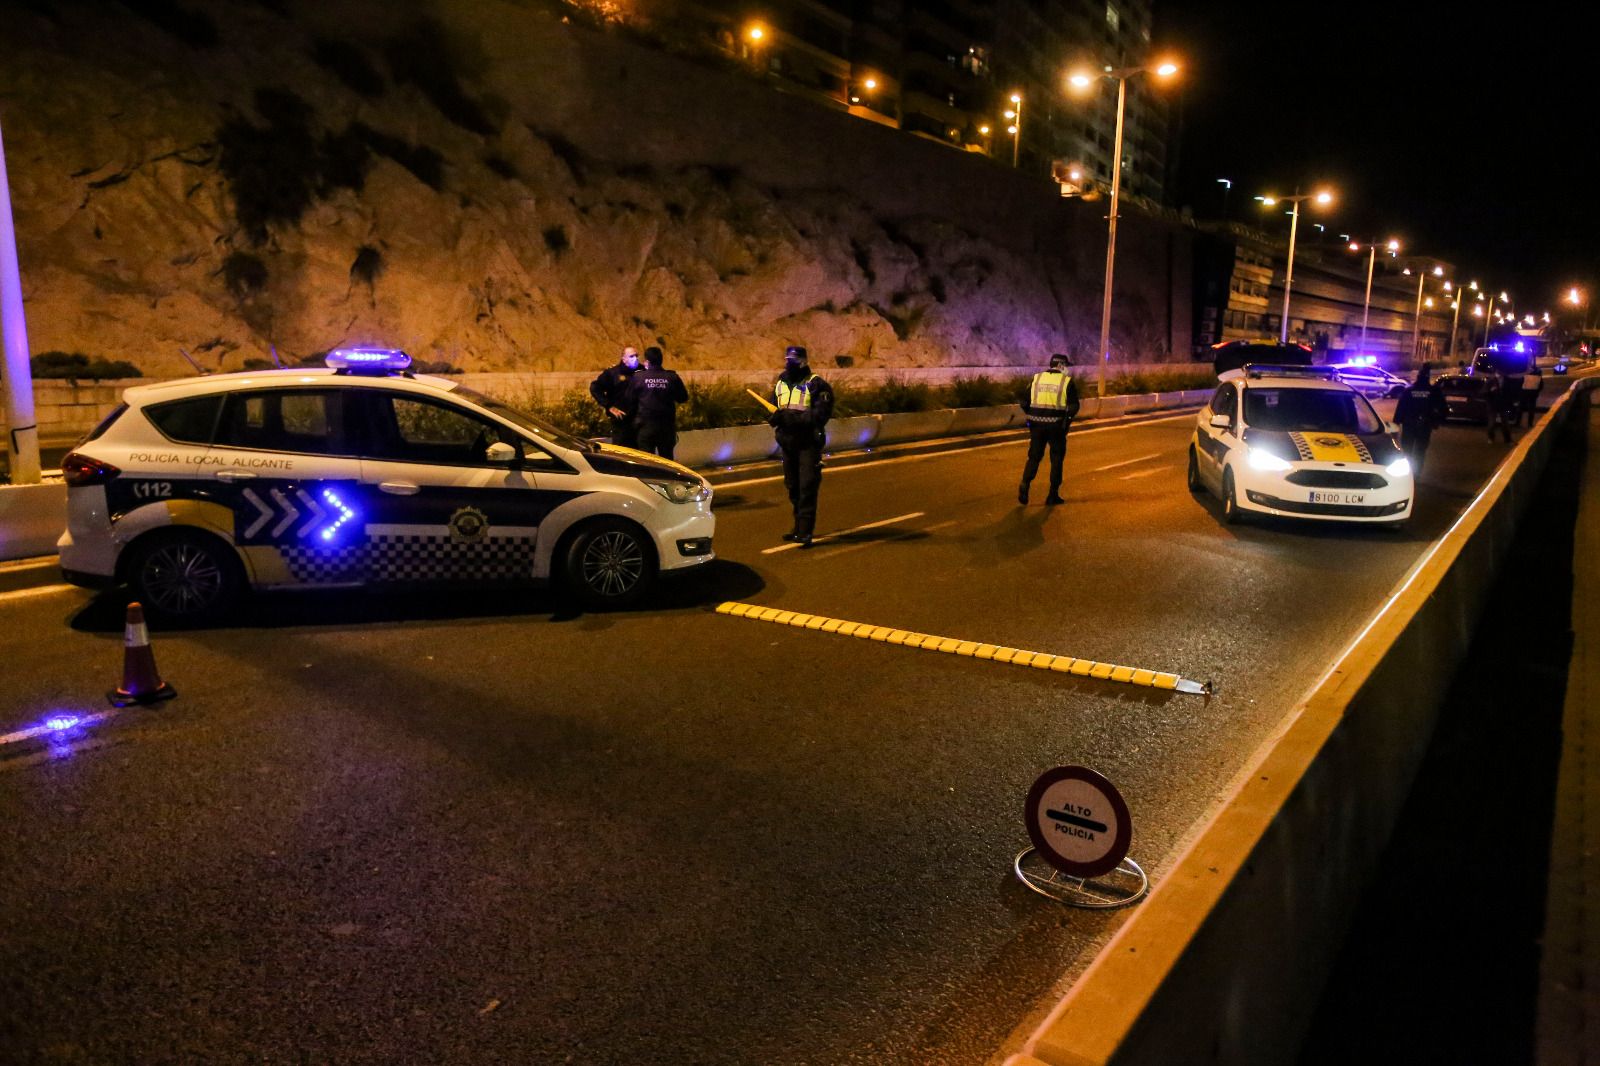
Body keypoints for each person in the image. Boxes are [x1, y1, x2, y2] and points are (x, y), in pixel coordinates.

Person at [768, 345, 833, 546]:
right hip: (787, 444)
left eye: (794, 360)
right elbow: (774, 406)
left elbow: (820, 415)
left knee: (807, 486)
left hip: (808, 444)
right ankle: (797, 527)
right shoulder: (781, 381)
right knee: (793, 486)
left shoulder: (816, 384)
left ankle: (805, 532)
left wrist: (792, 419)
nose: (790, 363)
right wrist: (774, 417)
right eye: (787, 359)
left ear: (804, 361)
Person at [1017, 352, 1080, 505]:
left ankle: (1025, 483)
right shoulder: (1067, 382)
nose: (1067, 369)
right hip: (1056, 427)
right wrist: (1067, 421)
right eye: (1066, 366)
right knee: (1056, 458)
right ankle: (1052, 495)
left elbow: (1024, 402)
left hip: (1036, 426)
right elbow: (1073, 407)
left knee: (1034, 456)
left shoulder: (1036, 378)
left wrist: (1032, 415)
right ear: (1061, 365)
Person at [626, 346, 688, 459]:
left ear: (647, 361)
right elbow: (683, 398)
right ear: (661, 360)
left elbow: (629, 400)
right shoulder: (672, 377)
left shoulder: (638, 377)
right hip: (666, 428)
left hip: (645, 427)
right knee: (667, 461)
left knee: (647, 462)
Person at [1393, 363, 1446, 476]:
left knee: (1407, 449)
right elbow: (1443, 408)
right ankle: (1416, 472)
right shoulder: (1434, 392)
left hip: (1409, 425)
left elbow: (1400, 408)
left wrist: (1395, 424)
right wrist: (1437, 421)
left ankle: (1407, 472)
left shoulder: (1408, 391)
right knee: (1420, 451)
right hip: (1425, 425)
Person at [590, 346, 641, 447]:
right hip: (621, 423)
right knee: (622, 455)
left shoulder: (643, 371)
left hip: (640, 422)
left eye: (636, 355)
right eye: (631, 356)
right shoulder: (612, 373)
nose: (635, 358)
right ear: (624, 358)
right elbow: (595, 388)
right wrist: (609, 406)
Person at [1487, 370, 1517, 444]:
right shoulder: (1491, 381)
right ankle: (1491, 438)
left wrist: (1511, 401)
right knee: (1492, 423)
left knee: (1505, 423)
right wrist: (1490, 391)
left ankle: (1507, 439)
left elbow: (1510, 392)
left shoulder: (1507, 381)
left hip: (1503, 405)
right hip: (1493, 405)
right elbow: (1484, 392)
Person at [1519, 362, 1544, 426]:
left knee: (1521, 408)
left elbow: (1520, 384)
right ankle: (1530, 423)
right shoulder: (1538, 377)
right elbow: (1541, 386)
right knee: (1531, 409)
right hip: (1533, 393)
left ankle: (1518, 422)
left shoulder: (1524, 375)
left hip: (1524, 392)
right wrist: (1537, 391)